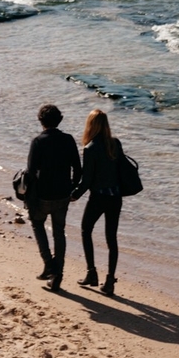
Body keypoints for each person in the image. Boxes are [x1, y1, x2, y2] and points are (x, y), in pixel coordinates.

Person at [26, 103, 81, 292]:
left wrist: (27, 195)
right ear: (60, 120)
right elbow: (78, 168)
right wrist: (73, 188)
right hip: (63, 195)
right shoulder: (68, 139)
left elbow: (31, 172)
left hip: (42, 194)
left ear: (40, 120)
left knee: (37, 224)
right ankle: (57, 273)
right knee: (59, 231)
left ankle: (49, 264)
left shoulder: (38, 141)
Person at [71, 108, 122, 296]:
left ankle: (91, 273)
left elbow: (87, 180)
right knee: (111, 238)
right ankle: (110, 281)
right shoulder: (115, 143)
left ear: (90, 125)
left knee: (86, 230)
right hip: (116, 197)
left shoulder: (90, 148)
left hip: (98, 197)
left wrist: (74, 195)